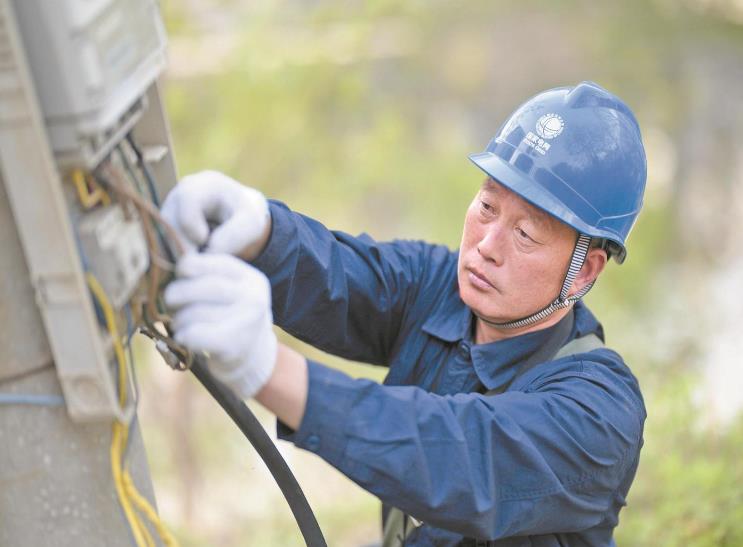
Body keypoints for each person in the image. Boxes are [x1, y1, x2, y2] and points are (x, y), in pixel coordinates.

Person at [161, 81, 647, 546]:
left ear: (584, 273)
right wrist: (258, 232)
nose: (488, 245)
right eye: (486, 206)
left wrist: (268, 370)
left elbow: (460, 457)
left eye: (526, 235)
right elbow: (343, 277)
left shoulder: (598, 414)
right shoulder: (440, 287)